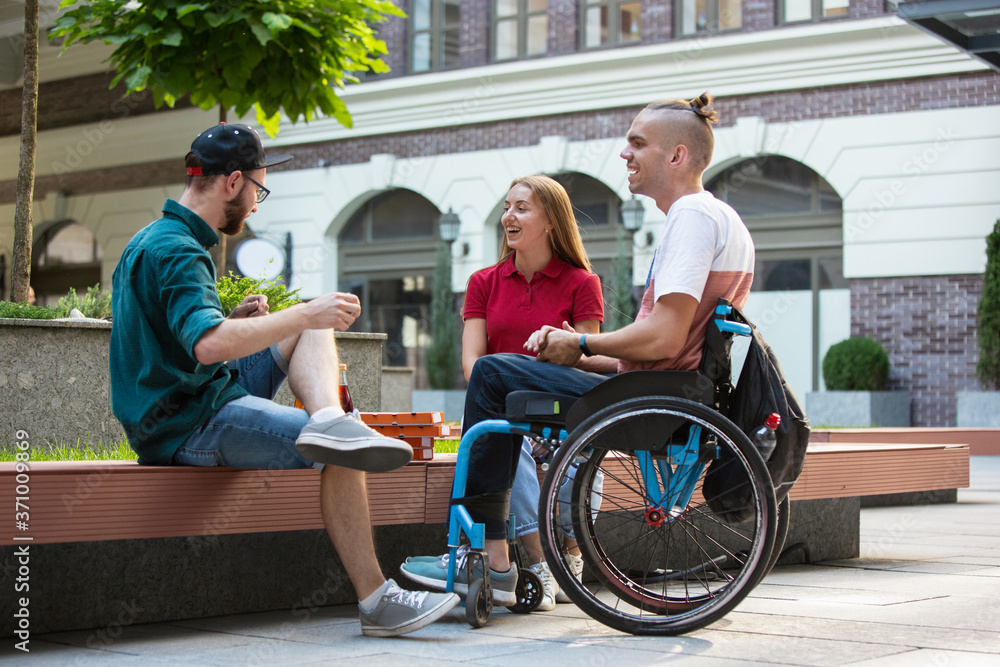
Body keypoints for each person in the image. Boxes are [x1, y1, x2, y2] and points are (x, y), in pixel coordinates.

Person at [108, 123, 459, 637]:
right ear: (232, 182)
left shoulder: (154, 238)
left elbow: (175, 338)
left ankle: (327, 420)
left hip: (196, 395)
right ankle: (376, 601)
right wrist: (299, 316)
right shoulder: (179, 249)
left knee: (314, 352)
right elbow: (206, 344)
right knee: (341, 437)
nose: (256, 203)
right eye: (258, 188)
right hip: (189, 423)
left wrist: (239, 319)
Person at [404, 93, 755, 594]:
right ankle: (496, 560)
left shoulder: (692, 217)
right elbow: (666, 342)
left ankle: (479, 556)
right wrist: (578, 348)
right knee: (498, 375)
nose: (624, 154)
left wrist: (582, 347)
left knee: (492, 374)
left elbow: (665, 336)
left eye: (638, 143)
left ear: (677, 155)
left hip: (653, 395)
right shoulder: (724, 218)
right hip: (672, 389)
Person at [400, 175, 605, 610]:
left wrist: (557, 348)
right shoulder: (483, 282)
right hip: (502, 406)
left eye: (522, 208)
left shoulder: (582, 283)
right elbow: (473, 364)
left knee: (540, 447)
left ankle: (551, 557)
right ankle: (540, 560)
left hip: (558, 409)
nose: (508, 216)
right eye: (507, 207)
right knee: (512, 441)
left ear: (551, 220)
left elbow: (583, 361)